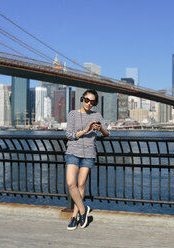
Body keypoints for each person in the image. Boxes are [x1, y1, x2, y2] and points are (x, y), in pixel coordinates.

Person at [65, 89, 109, 230]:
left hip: (89, 153)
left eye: (92, 102)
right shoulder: (72, 114)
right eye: (87, 100)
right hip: (73, 151)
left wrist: (100, 128)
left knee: (81, 185)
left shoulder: (97, 115)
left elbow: (107, 133)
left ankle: (74, 216)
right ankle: (84, 211)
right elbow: (69, 135)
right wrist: (85, 130)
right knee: (71, 183)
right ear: (82, 99)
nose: (89, 103)